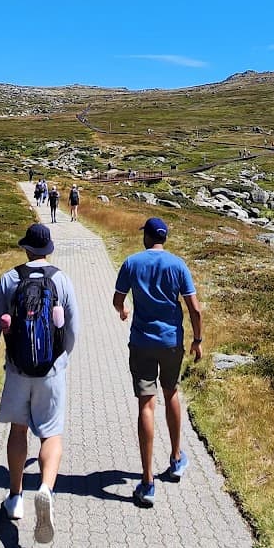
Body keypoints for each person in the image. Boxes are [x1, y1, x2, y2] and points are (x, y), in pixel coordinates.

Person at [0, 222, 78, 545]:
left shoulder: (9, 279)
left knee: (18, 431)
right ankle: (46, 488)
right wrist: (61, 359)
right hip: (50, 372)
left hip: (17, 371)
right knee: (51, 434)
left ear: (25, 249)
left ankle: (16, 497)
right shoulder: (61, 280)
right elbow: (73, 330)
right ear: (48, 250)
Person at [113, 216, 202, 509]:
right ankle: (176, 458)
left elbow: (117, 299)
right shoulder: (178, 265)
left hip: (141, 342)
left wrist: (124, 311)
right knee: (172, 392)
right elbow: (195, 309)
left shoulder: (131, 263)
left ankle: (148, 482)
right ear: (164, 237)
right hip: (172, 341)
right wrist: (197, 341)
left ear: (146, 237)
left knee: (146, 404)